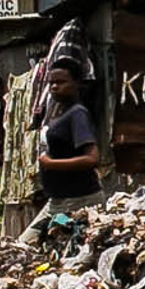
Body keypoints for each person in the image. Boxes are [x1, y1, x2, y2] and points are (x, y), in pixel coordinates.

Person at [29, 60, 103, 230]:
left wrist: (50, 164)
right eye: (51, 83)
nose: (54, 87)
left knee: (42, 246)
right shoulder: (60, 113)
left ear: (77, 83)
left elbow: (92, 159)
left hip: (79, 201)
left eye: (61, 82)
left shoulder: (78, 114)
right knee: (29, 244)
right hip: (58, 201)